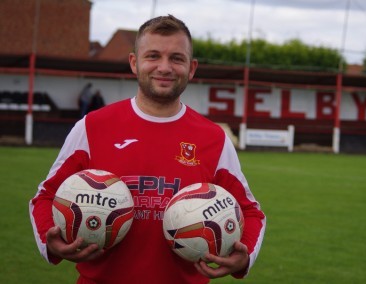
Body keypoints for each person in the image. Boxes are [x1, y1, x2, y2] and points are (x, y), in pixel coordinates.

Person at [29, 15, 266, 284]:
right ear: (135, 62)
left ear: (191, 68)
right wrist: (51, 238)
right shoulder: (93, 126)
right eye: (153, 56)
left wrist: (244, 254)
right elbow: (45, 196)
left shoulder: (214, 138)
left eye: (177, 58)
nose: (164, 67)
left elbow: (250, 211)